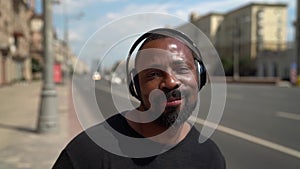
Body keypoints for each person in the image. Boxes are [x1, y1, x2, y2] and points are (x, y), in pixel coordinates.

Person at [52, 28, 226, 169]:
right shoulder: (87, 154)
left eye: (182, 69)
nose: (171, 82)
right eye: (154, 74)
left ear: (199, 77)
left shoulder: (210, 156)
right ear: (136, 86)